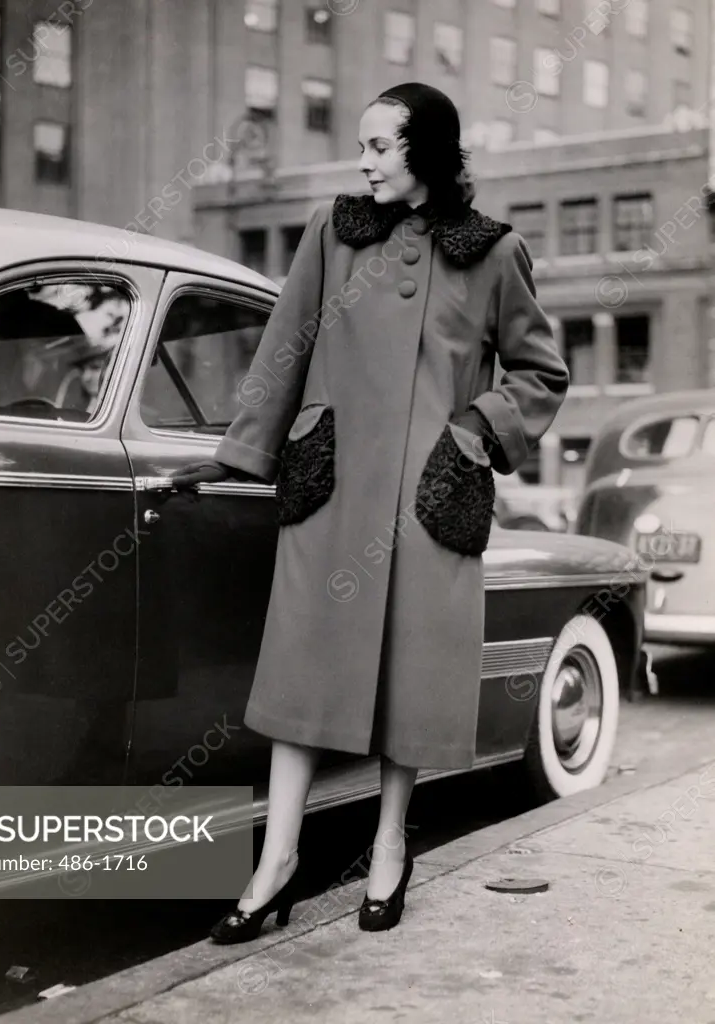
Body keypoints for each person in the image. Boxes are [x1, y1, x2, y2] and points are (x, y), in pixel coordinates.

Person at [171, 82, 570, 940]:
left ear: (424, 150)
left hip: (431, 499)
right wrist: (243, 451)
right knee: (298, 678)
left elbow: (541, 374)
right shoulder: (333, 229)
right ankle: (276, 865)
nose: (362, 162)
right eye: (361, 147)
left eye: (379, 147)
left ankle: (389, 848)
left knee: (412, 684)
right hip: (335, 490)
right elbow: (285, 345)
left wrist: (473, 434)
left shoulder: (494, 253)